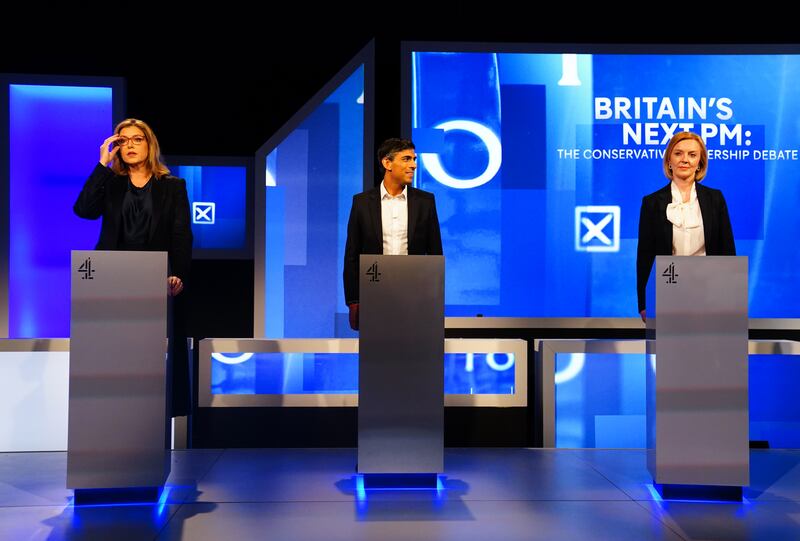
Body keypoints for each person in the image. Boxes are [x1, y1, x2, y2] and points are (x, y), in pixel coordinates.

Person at [74, 118, 193, 416]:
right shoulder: (111, 184)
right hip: (112, 280)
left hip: (155, 281)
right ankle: (109, 412)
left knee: (150, 358)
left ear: (149, 144)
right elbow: (84, 210)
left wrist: (177, 273)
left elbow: (181, 233)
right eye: (122, 140)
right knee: (113, 351)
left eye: (136, 139)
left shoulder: (173, 186)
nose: (129, 145)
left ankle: (150, 416)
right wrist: (102, 164)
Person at [343, 138, 443, 330]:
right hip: (374, 292)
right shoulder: (362, 203)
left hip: (416, 297)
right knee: (377, 355)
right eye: (406, 159)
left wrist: (434, 299)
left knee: (414, 354)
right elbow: (351, 256)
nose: (413, 165)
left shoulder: (425, 202)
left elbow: (435, 254)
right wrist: (353, 300)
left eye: (414, 159)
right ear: (387, 163)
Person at [636, 131, 735, 322]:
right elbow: (645, 256)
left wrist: (729, 297)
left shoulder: (715, 199)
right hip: (667, 291)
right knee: (672, 350)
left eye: (692, 155)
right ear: (669, 161)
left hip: (710, 293)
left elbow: (727, 251)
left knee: (708, 350)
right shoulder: (652, 203)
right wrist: (644, 302)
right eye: (678, 153)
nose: (685, 160)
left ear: (700, 163)